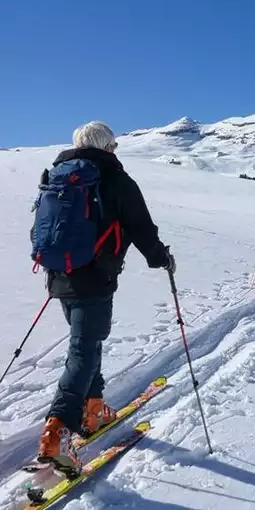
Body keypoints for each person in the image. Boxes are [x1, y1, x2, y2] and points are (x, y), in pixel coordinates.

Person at [33, 122, 175, 474]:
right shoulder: (114, 179)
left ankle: (92, 409)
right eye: (114, 145)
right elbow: (142, 227)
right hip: (95, 276)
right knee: (83, 349)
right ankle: (57, 433)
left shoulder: (58, 176)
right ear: (108, 147)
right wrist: (162, 258)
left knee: (88, 341)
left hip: (59, 275)